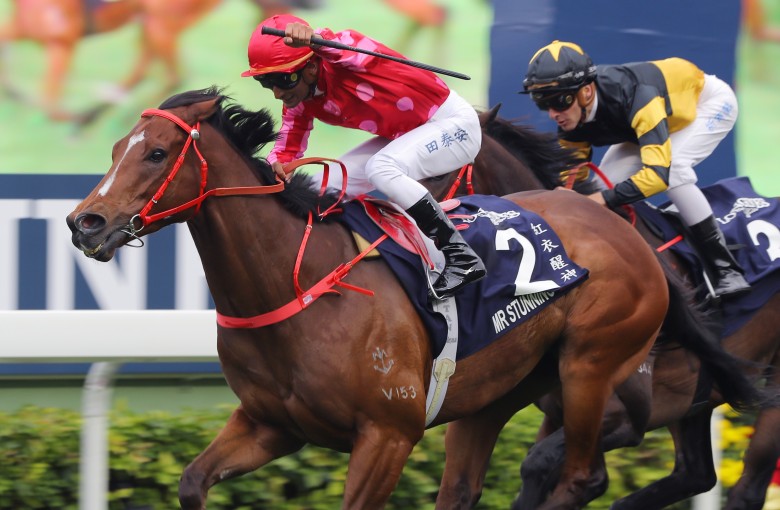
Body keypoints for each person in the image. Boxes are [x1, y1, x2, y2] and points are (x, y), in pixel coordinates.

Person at [240, 14, 485, 299]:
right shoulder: (300, 100)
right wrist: (269, 175)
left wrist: (314, 39)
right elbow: (284, 151)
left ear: (311, 67)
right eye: (266, 82)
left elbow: (342, 48)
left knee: (380, 168)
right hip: (408, 134)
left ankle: (459, 255)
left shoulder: (342, 53)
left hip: (454, 125)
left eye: (283, 79)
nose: (277, 93)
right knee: (322, 187)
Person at [520, 40, 750, 298]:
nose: (553, 114)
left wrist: (600, 199)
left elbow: (657, 176)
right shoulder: (572, 118)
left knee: (673, 170)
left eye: (559, 101)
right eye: (543, 104)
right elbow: (572, 180)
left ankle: (726, 269)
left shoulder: (637, 96)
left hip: (706, 105)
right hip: (650, 124)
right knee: (602, 185)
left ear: (586, 92)